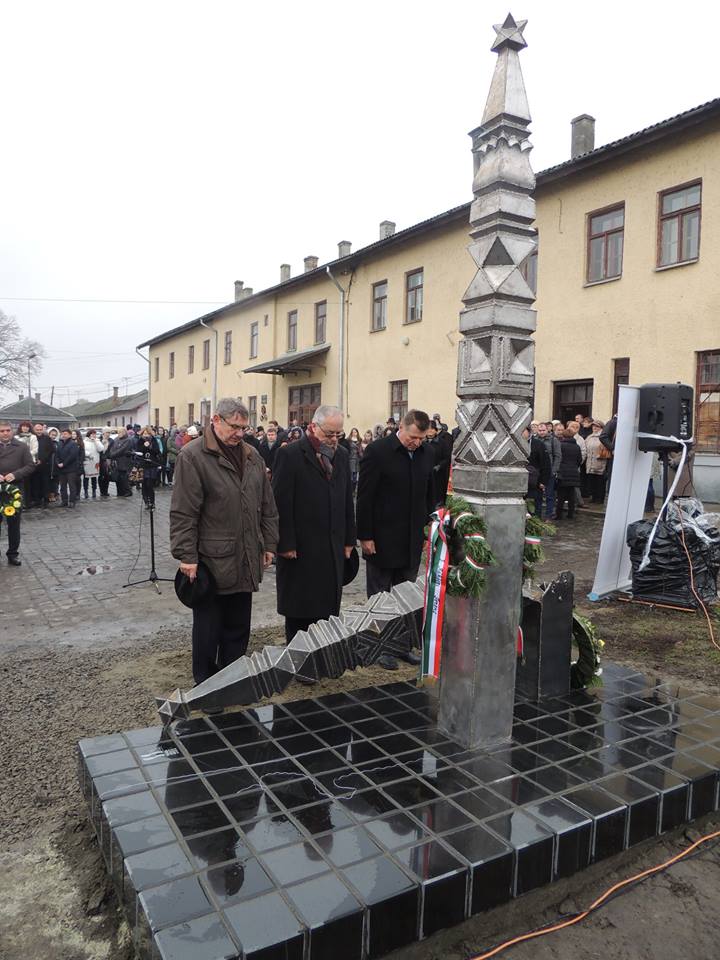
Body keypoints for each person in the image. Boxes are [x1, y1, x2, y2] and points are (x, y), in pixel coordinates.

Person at [170, 398, 279, 684]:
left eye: (244, 427)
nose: (240, 433)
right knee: (209, 627)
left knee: (238, 624)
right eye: (235, 427)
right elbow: (184, 511)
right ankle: (206, 684)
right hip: (211, 558)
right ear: (216, 420)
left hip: (246, 555)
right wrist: (187, 555)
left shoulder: (253, 456)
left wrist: (269, 544)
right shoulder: (193, 456)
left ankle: (232, 679)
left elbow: (267, 505)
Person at [272, 405, 356, 645]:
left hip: (331, 544)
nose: (333, 440)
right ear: (312, 427)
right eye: (329, 434)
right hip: (301, 546)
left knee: (327, 607)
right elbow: (280, 503)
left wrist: (350, 538)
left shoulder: (340, 455)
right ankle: (299, 659)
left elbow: (346, 500)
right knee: (301, 608)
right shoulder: (290, 455)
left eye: (338, 434)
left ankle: (322, 656)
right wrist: (285, 543)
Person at [357, 409, 434, 670]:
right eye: (413, 437)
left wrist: (426, 530)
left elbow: (426, 494)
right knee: (380, 597)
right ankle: (379, 647)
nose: (416, 442)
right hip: (381, 537)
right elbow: (365, 497)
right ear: (402, 427)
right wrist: (365, 535)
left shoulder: (425, 454)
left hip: (411, 538)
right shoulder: (378, 452)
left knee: (406, 596)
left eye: (422, 438)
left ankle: (402, 646)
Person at [0, 420, 35, 564]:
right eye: (2, 431)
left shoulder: (21, 447)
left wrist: (15, 474)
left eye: (7, 430)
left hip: (14, 491)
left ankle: (13, 554)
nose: (5, 433)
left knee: (14, 524)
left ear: (12, 431)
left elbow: (30, 466)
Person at [556, 428, 582, 519]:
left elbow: (558, 458)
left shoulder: (561, 445)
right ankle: (570, 514)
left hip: (563, 472)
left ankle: (559, 514)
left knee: (561, 495)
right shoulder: (577, 446)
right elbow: (580, 460)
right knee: (571, 494)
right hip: (574, 472)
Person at [536, 422, 560, 519]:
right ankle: (537, 516)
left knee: (549, 495)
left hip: (549, 471)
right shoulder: (535, 440)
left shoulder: (554, 440)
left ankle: (548, 516)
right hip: (538, 472)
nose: (541, 432)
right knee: (538, 496)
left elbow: (558, 456)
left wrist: (554, 471)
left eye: (543, 430)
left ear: (548, 430)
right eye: (540, 430)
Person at [524, 426, 551, 516]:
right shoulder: (515, 443)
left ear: (529, 432)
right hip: (520, 480)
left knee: (535, 503)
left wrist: (543, 481)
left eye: (523, 431)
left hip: (535, 480)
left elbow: (545, 463)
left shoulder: (538, 444)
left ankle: (536, 521)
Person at [136, 426, 162, 508]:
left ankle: (152, 502)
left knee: (150, 484)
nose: (146, 435)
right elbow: (138, 451)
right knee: (144, 484)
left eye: (147, 433)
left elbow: (157, 451)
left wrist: (150, 447)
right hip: (143, 465)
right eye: (144, 433)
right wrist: (144, 446)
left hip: (152, 465)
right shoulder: (140, 441)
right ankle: (146, 501)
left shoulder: (154, 440)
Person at [55, 428, 82, 508]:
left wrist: (64, 463)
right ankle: (64, 501)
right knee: (62, 486)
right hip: (61, 469)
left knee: (71, 485)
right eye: (63, 434)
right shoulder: (59, 443)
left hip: (71, 469)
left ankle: (72, 501)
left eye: (66, 434)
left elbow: (72, 456)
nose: (64, 435)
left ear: (70, 435)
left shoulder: (73, 444)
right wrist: (58, 463)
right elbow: (56, 455)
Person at [31, 423, 54, 508]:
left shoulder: (47, 438)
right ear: (34, 430)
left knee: (45, 483)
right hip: (34, 465)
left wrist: (43, 459)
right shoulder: (32, 438)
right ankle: (37, 500)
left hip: (45, 464)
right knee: (35, 483)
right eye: (37, 430)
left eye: (40, 430)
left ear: (43, 430)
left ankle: (45, 500)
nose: (39, 431)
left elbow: (51, 450)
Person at [107, 427, 135, 497]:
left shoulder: (128, 440)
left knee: (124, 478)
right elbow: (112, 448)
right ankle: (119, 492)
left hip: (125, 461)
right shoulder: (116, 439)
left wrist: (112, 455)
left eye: (121, 432)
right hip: (116, 461)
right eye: (118, 432)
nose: (119, 434)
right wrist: (111, 454)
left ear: (125, 432)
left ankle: (128, 491)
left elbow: (122, 450)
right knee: (118, 478)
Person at [585, 420, 608, 503]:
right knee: (592, 481)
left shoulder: (603, 437)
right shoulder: (589, 437)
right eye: (593, 426)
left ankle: (600, 499)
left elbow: (606, 449)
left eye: (596, 426)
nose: (594, 428)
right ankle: (593, 497)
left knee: (600, 482)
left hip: (600, 463)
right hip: (590, 462)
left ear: (601, 427)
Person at [82, 429, 104, 499]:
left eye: (94, 434)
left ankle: (94, 491)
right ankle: (86, 492)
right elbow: (82, 450)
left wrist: (95, 441)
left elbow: (101, 449)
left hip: (95, 462)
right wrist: (88, 454)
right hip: (87, 461)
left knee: (94, 478)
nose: (93, 435)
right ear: (89, 434)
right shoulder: (84, 441)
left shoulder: (97, 441)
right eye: (92, 434)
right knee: (86, 478)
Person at [346, 428, 363, 493]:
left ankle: (353, 489)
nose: (354, 433)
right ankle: (350, 489)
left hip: (357, 459)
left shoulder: (360, 440)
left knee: (355, 476)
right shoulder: (348, 440)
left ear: (357, 433)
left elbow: (361, 449)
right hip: (351, 459)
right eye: (353, 432)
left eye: (355, 432)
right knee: (350, 475)